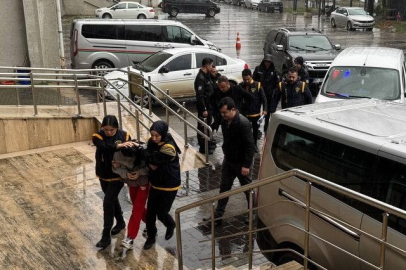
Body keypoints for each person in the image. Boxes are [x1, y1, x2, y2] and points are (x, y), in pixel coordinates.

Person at [203, 97, 256, 226]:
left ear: (233, 110)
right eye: (221, 113)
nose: (222, 115)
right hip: (229, 159)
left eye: (225, 112)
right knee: (224, 188)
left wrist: (246, 165)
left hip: (242, 162)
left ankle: (253, 213)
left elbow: (250, 146)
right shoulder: (225, 120)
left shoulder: (244, 123)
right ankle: (217, 217)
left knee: (248, 189)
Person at [131, 120, 182, 250]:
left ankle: (170, 225)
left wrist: (148, 156)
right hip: (155, 184)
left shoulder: (169, 147)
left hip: (169, 185)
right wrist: (148, 157)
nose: (153, 138)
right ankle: (151, 237)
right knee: (150, 214)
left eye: (157, 136)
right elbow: (148, 157)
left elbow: (153, 158)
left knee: (162, 213)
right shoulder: (152, 142)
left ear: (163, 134)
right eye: (152, 135)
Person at [92, 115, 132, 249]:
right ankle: (120, 222)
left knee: (108, 201)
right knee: (112, 199)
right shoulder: (97, 136)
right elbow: (103, 148)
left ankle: (106, 235)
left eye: (112, 130)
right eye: (106, 129)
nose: (108, 132)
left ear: (117, 128)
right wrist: (118, 146)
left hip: (118, 175)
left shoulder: (125, 136)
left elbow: (130, 154)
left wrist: (125, 152)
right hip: (103, 173)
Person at [111, 142, 150, 250]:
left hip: (143, 182)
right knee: (138, 207)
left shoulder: (143, 152)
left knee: (137, 209)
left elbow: (150, 167)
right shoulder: (117, 153)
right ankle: (150, 222)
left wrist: (139, 172)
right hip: (131, 183)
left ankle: (130, 237)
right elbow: (114, 168)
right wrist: (126, 174)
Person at [239, 68, 267, 149]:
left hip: (255, 112)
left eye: (248, 79)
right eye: (244, 79)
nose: (246, 81)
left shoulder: (257, 85)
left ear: (251, 77)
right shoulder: (240, 86)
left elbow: (264, 98)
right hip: (244, 113)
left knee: (255, 131)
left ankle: (254, 145)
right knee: (244, 130)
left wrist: (265, 110)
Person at [253, 55, 279, 135]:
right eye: (266, 61)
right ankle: (256, 127)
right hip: (259, 93)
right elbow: (254, 80)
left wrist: (273, 93)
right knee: (256, 110)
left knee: (266, 111)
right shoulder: (258, 69)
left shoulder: (274, 71)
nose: (267, 63)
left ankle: (266, 128)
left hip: (269, 94)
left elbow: (276, 83)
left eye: (268, 62)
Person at [195, 58, 216, 154]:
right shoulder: (200, 78)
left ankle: (208, 143)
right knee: (202, 126)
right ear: (207, 65)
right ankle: (203, 146)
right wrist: (203, 109)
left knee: (207, 126)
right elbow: (200, 95)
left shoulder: (206, 76)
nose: (212, 68)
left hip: (209, 105)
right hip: (204, 107)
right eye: (211, 65)